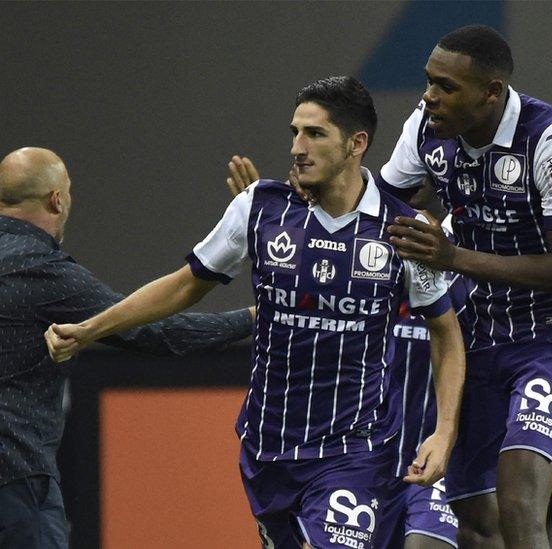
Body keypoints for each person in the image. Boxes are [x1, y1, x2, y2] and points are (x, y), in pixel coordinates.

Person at [46, 77, 466, 549]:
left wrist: (444, 431)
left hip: (355, 447)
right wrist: (90, 329)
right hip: (267, 448)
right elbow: (185, 285)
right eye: (294, 132)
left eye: (315, 134)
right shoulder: (259, 208)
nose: (297, 148)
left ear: (357, 144)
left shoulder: (401, 231)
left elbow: (445, 333)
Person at [378, 24, 552, 548]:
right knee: (475, 516)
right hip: (477, 335)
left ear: (491, 92)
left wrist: (452, 256)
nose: (430, 96)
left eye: (447, 87)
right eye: (428, 81)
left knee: (519, 498)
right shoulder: (425, 127)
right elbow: (380, 208)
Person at [0, 147, 253, 548]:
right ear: (57, 199)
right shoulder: (42, 270)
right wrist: (254, 318)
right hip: (15, 479)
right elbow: (159, 332)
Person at [228, 156, 465, 549]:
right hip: (358, 453)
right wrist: (275, 226)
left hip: (429, 461)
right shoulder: (371, 261)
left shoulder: (460, 278)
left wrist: (450, 434)